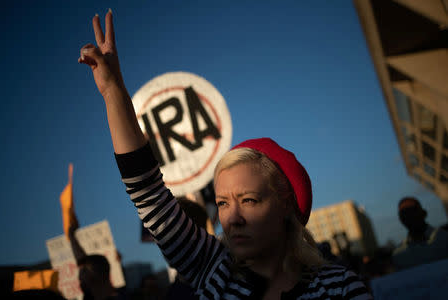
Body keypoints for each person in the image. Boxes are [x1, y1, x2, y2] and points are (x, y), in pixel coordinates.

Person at [79, 9, 372, 299]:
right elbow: (148, 192)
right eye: (222, 203)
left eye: (248, 200)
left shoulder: (340, 287)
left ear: (285, 204)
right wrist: (112, 90)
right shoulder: (212, 270)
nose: (232, 219)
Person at [393, 196, 448, 270]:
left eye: (412, 210)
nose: (408, 216)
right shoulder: (398, 254)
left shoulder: (444, 239)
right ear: (400, 219)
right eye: (403, 213)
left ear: (423, 213)